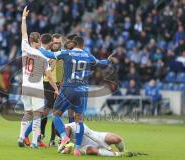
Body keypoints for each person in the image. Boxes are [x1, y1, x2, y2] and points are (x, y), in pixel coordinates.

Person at [53, 36, 115, 156]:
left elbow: (49, 54)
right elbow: (101, 64)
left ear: (74, 44)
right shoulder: (88, 56)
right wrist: (108, 60)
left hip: (68, 88)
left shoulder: (67, 53)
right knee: (79, 120)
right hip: (82, 90)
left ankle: (64, 137)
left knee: (56, 114)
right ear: (83, 45)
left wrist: (38, 49)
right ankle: (77, 149)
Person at [17, 6, 59, 148]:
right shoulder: (42, 56)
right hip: (36, 88)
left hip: (25, 87)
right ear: (39, 42)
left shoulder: (25, 47)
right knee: (37, 114)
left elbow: (23, 31)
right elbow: (49, 75)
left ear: (30, 40)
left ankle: (21, 136)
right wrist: (56, 89)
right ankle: (34, 141)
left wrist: (23, 17)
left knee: (27, 113)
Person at [60, 122, 137, 157]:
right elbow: (62, 148)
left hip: (96, 137)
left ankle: (123, 150)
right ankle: (120, 155)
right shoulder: (62, 134)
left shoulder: (77, 125)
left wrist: (108, 148)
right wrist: (65, 149)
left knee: (117, 139)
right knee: (92, 151)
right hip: (85, 146)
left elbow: (93, 137)